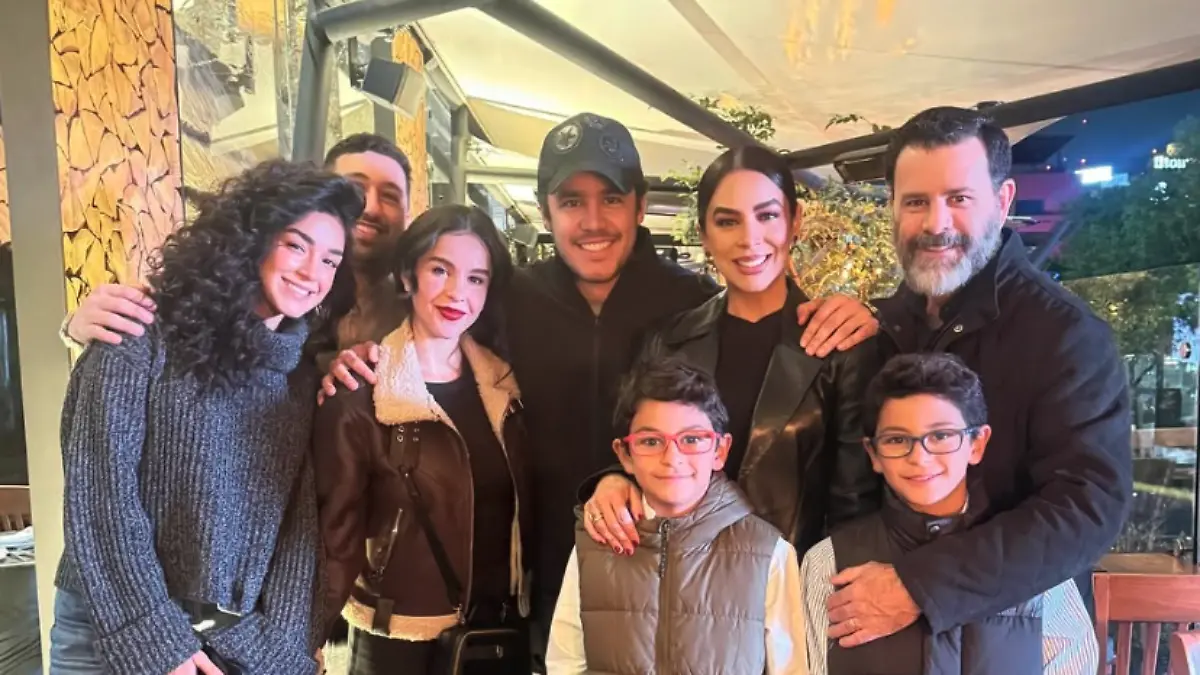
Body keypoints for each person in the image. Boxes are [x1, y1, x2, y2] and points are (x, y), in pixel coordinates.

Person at [321, 114, 882, 667]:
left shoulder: (685, 304)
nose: (593, 221)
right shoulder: (511, 299)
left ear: (640, 206)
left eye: (611, 199)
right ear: (546, 210)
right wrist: (357, 354)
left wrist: (868, 313)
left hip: (686, 588)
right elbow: (433, 332)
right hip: (533, 584)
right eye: (571, 201)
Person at [820, 107, 1131, 653]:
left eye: (959, 198)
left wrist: (921, 586)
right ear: (892, 206)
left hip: (1025, 636)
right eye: (916, 201)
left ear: (1003, 200)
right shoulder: (884, 328)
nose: (936, 223)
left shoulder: (1065, 335)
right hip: (877, 623)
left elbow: (1088, 507)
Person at [50, 159, 361, 675]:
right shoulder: (140, 332)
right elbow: (100, 495)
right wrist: (155, 638)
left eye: (331, 259)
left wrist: (284, 651)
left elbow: (296, 525)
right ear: (250, 238)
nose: (313, 273)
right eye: (296, 245)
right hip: (107, 624)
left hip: (232, 641)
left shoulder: (299, 376)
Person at [581, 145, 880, 559]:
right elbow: (640, 447)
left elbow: (855, 507)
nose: (749, 239)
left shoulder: (839, 346)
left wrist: (815, 590)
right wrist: (615, 479)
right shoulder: (668, 342)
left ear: (795, 221)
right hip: (682, 575)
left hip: (790, 583)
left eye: (767, 215)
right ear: (704, 234)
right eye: (727, 221)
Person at [312, 204, 531, 674]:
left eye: (476, 278)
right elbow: (333, 538)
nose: (457, 293)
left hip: (494, 634)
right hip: (398, 640)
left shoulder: (507, 389)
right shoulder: (362, 393)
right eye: (440, 270)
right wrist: (304, 638)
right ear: (408, 275)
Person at [802, 352, 1097, 675]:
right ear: (873, 453)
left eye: (941, 436)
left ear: (977, 444)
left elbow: (1074, 662)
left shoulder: (1032, 556)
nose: (919, 457)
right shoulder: (830, 563)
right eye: (897, 439)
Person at [547, 358, 807, 674]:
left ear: (720, 451)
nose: (671, 458)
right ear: (625, 455)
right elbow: (565, 663)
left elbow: (792, 669)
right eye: (651, 441)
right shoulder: (595, 542)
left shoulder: (769, 552)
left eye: (692, 439)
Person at [60, 132, 413, 357]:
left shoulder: (421, 310)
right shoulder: (241, 296)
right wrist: (77, 330)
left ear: (408, 212)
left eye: (390, 196)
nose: (369, 207)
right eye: (355, 188)